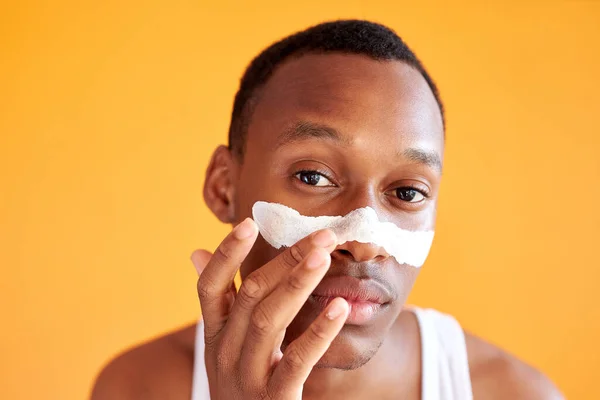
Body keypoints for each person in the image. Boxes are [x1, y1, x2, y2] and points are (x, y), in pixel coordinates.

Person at [91, 20, 562, 399]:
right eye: (313, 177)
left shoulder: (513, 392)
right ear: (223, 187)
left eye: (408, 192)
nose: (363, 241)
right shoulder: (139, 386)